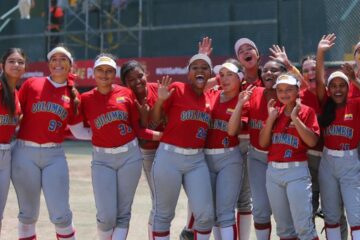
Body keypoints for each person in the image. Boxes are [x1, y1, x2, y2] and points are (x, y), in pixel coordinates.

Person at [80, 54, 162, 240]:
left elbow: (138, 129)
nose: (105, 74)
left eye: (109, 71)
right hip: (102, 159)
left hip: (130, 157)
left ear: (114, 74)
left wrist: (163, 136)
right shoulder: (85, 99)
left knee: (123, 214)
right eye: (100, 70)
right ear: (94, 72)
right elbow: (76, 127)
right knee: (106, 217)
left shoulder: (125, 94)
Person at [11, 45, 81, 240]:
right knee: (27, 214)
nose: (58, 63)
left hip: (54, 155)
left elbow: (78, 130)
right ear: (49, 64)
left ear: (70, 66)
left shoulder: (74, 96)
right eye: (54, 59)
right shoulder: (32, 83)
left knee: (61, 214)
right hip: (24, 153)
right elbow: (14, 113)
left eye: (63, 59)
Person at [150, 53, 214, 240]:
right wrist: (160, 100)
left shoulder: (211, 97)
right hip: (169, 157)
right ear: (188, 73)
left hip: (196, 160)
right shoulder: (177, 89)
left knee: (205, 215)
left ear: (210, 73)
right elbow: (154, 121)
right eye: (195, 67)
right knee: (163, 215)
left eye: (204, 67)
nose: (200, 70)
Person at [228, 59, 287, 240]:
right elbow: (236, 128)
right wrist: (239, 105)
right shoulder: (254, 94)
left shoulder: (289, 96)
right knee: (260, 209)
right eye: (266, 70)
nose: (268, 73)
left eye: (274, 70)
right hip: (257, 158)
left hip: (283, 161)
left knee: (283, 213)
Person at [259, 73, 320, 240]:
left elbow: (312, 141)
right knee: (284, 228)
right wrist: (271, 118)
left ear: (297, 90)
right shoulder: (275, 112)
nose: (284, 94)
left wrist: (295, 117)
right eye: (280, 90)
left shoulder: (307, 111)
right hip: (273, 172)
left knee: (303, 227)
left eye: (289, 90)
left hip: (296, 171)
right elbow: (263, 143)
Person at [120, 59, 164, 239]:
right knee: (159, 201)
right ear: (125, 83)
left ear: (146, 74)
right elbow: (142, 139)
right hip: (149, 153)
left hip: (170, 150)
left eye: (140, 76)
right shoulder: (127, 99)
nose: (137, 81)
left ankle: (189, 230)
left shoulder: (157, 88)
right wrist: (148, 124)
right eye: (131, 79)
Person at [205, 59, 248, 239]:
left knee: (225, 211)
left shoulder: (245, 101)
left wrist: (238, 104)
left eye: (229, 74)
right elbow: (196, 87)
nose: (224, 78)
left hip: (229, 157)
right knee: (212, 212)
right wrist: (214, 78)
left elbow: (232, 131)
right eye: (221, 75)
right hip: (205, 158)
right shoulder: (212, 94)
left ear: (239, 78)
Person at [0, 48, 25, 237]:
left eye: (20, 62)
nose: (16, 65)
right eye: (11, 61)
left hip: (6, 154)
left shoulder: (16, 94)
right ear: (2, 65)